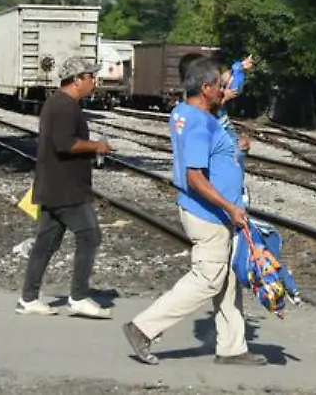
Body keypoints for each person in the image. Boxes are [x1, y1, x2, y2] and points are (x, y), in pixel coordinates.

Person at [122, 56, 266, 366]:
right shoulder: (200, 123)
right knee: (208, 279)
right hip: (210, 214)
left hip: (213, 212)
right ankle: (143, 328)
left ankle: (232, 347)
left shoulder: (185, 112)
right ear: (205, 88)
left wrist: (232, 147)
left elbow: (210, 154)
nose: (222, 90)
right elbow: (195, 177)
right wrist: (229, 206)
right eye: (219, 86)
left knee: (225, 278)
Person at [16, 56, 114, 319]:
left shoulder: (61, 104)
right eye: (91, 76)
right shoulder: (63, 106)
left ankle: (28, 298)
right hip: (65, 187)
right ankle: (79, 297)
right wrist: (97, 146)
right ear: (77, 79)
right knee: (90, 235)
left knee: (46, 242)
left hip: (54, 184)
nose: (94, 81)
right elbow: (65, 144)